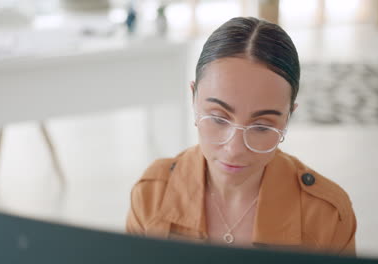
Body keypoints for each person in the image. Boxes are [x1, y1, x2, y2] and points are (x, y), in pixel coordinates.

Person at [126, 17, 356, 256]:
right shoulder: (152, 194)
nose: (234, 149)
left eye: (262, 126)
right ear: (194, 99)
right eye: (218, 118)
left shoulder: (325, 215)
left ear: (288, 118)